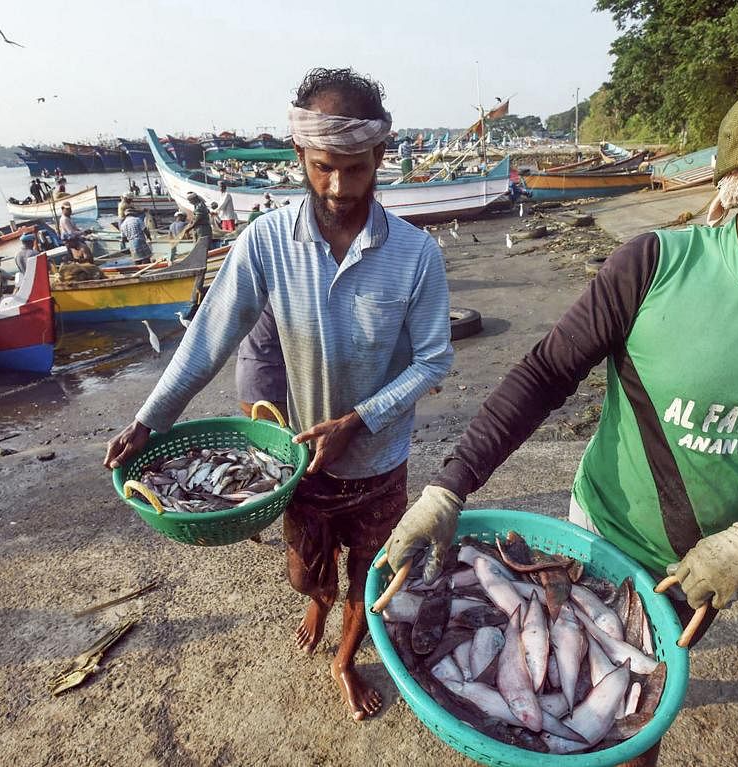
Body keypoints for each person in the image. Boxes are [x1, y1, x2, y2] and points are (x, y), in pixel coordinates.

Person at [383, 27, 738, 763]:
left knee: (633, 733)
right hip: (599, 539)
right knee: (566, 720)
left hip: (714, 564)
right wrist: (447, 489)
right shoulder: (656, 264)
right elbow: (545, 372)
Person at [104, 67, 452, 721]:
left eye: (356, 167)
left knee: (369, 578)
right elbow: (206, 342)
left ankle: (347, 660)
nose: (340, 186)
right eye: (323, 167)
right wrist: (148, 420)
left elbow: (434, 360)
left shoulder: (417, 255)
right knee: (304, 572)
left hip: (381, 465)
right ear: (299, 156)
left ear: (381, 154)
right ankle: (314, 598)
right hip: (301, 465)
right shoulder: (264, 242)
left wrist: (361, 417)